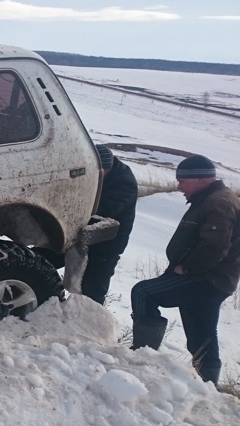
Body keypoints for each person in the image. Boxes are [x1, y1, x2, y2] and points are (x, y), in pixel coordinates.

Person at [130, 154, 240, 384]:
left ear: (200, 179)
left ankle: (142, 357)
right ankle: (208, 387)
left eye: (182, 181)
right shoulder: (213, 198)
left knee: (143, 292)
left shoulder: (218, 203)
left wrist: (187, 268)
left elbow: (214, 246)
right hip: (216, 280)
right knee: (202, 337)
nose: (179, 186)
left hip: (205, 279)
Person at [83, 145, 138, 304]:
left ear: (108, 167)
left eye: (100, 172)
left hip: (108, 243)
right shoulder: (101, 172)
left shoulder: (124, 183)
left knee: (94, 287)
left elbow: (103, 210)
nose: (96, 175)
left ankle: (91, 321)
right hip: (85, 235)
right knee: (46, 258)